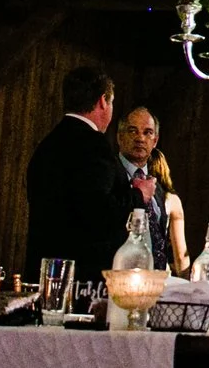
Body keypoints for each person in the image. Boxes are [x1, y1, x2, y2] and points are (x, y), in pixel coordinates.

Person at [24, 67, 131, 279]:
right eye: (111, 102)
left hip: (44, 270)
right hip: (81, 276)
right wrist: (138, 195)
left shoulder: (47, 145)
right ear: (103, 101)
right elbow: (99, 212)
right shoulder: (94, 146)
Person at [112, 104, 184, 271]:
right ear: (120, 137)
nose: (140, 138)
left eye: (148, 132)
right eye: (133, 131)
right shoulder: (109, 175)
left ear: (155, 141)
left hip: (155, 280)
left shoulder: (157, 189)